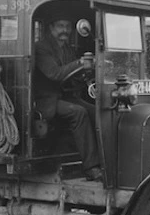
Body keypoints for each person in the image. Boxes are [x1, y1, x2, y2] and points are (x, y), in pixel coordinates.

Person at [34, 12, 103, 181]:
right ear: (51, 28)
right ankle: (91, 168)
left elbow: (72, 75)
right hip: (46, 101)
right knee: (78, 112)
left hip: (65, 97)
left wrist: (86, 73)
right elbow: (55, 74)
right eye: (60, 26)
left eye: (67, 26)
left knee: (97, 112)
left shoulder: (68, 49)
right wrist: (80, 63)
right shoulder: (41, 47)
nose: (64, 30)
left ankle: (105, 162)